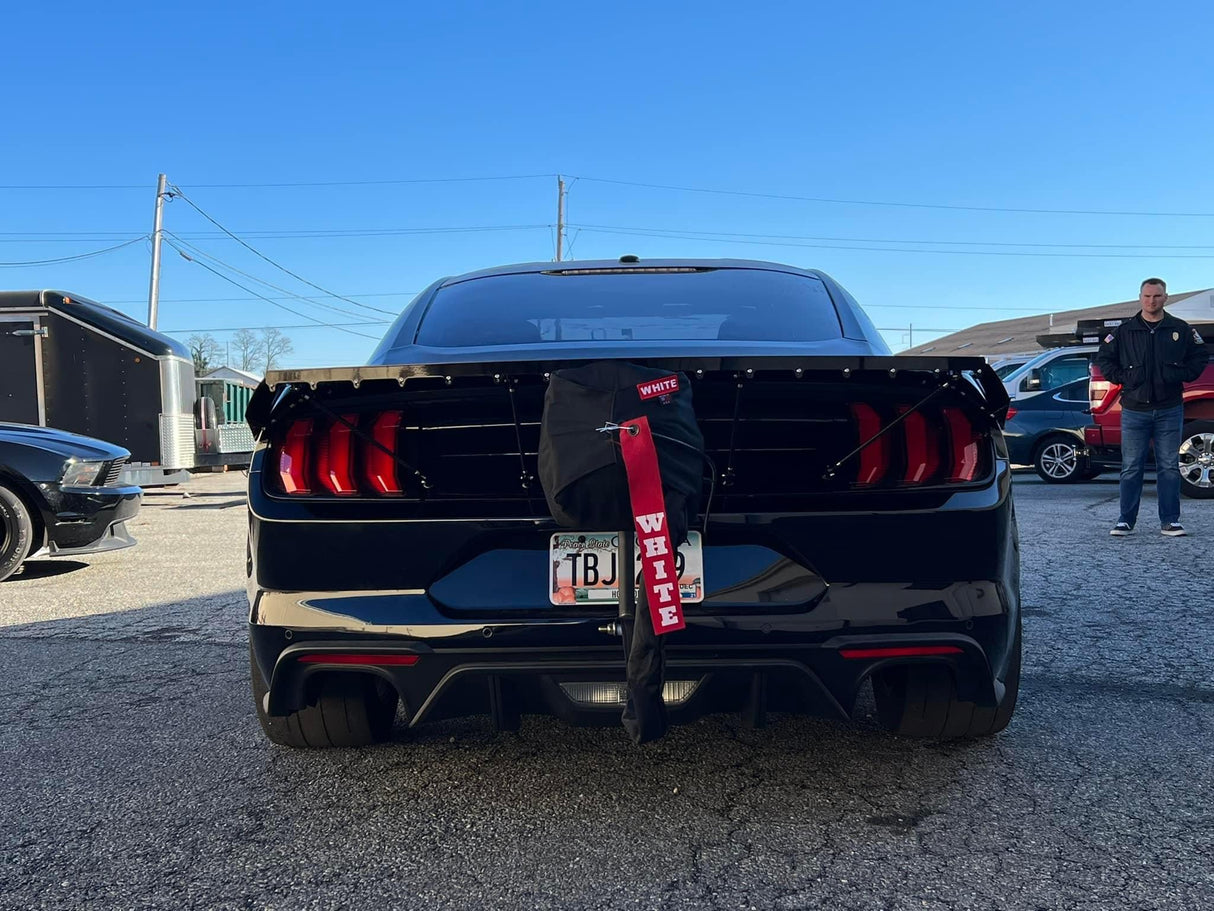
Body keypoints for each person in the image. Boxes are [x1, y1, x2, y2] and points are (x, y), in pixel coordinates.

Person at [1095, 278, 1209, 537]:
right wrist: (1125, 378)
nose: (1152, 301)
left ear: (1166, 297)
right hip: (1135, 409)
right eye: (1147, 296)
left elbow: (1200, 356)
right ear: (1140, 297)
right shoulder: (1125, 331)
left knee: (1168, 466)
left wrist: (1182, 374)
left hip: (1169, 408)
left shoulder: (1179, 329)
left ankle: (1170, 521)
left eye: (1157, 296)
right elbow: (1104, 359)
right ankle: (1125, 521)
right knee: (1131, 466)